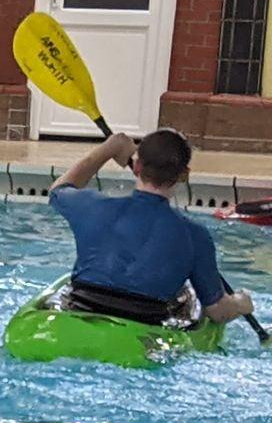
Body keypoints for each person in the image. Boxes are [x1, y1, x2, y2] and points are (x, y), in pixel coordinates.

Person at [47, 127, 254, 326]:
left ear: (137, 167)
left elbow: (58, 189)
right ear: (184, 175)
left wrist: (111, 148)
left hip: (81, 308)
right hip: (144, 323)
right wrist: (240, 302)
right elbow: (217, 311)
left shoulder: (92, 206)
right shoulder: (195, 235)